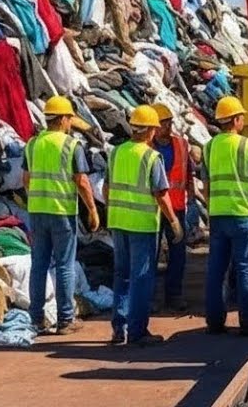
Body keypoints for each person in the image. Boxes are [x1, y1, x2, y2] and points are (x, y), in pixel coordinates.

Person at [107, 105, 183, 347]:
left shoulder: (117, 153)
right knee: (141, 277)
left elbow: (107, 187)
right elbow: (161, 193)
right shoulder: (151, 157)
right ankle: (138, 331)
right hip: (141, 225)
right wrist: (173, 221)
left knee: (121, 276)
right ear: (151, 130)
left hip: (118, 222)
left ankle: (119, 329)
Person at [24, 96, 99, 336]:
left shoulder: (33, 144)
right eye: (70, 119)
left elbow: (25, 179)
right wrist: (93, 210)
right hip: (62, 213)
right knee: (65, 265)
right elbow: (82, 181)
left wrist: (37, 197)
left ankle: (36, 319)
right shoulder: (71, 145)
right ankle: (65, 319)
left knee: (39, 265)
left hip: (37, 212)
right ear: (64, 119)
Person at [204, 96, 248, 337]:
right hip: (244, 216)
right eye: (241, 116)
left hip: (218, 216)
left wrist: (212, 207)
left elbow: (206, 184)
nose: (243, 120)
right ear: (235, 120)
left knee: (216, 270)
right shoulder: (247, 147)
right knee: (245, 269)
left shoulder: (209, 147)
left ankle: (214, 323)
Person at [153, 103, 190, 313]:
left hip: (177, 207)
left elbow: (188, 171)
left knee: (178, 253)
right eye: (162, 123)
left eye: (168, 122)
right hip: (154, 209)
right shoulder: (147, 148)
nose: (167, 127)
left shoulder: (181, 145)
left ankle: (174, 295)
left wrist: (192, 195)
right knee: (152, 253)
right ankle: (150, 298)